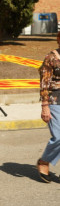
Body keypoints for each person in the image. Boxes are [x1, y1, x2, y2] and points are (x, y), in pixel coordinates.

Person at [37, 31, 60, 183]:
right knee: (59, 137)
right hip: (54, 100)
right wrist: (44, 106)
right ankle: (44, 161)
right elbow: (44, 84)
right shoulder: (51, 57)